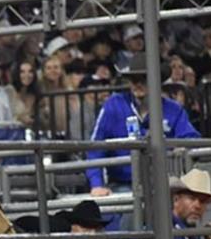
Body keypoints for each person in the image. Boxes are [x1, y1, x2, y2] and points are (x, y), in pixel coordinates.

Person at [86, 53, 200, 196]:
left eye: (144, 79)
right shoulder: (113, 106)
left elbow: (191, 138)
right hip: (123, 184)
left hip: (165, 182)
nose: (138, 84)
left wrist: (182, 147)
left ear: (156, 80)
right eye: (133, 80)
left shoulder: (173, 109)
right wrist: (96, 184)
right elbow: (95, 147)